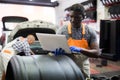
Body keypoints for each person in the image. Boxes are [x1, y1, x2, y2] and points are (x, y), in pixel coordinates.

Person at [53, 3, 101, 79]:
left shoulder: (90, 31)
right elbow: (53, 48)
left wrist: (80, 50)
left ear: (83, 17)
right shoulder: (61, 31)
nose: (72, 20)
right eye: (71, 17)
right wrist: (56, 53)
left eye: (77, 17)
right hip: (66, 65)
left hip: (83, 67)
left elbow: (97, 53)